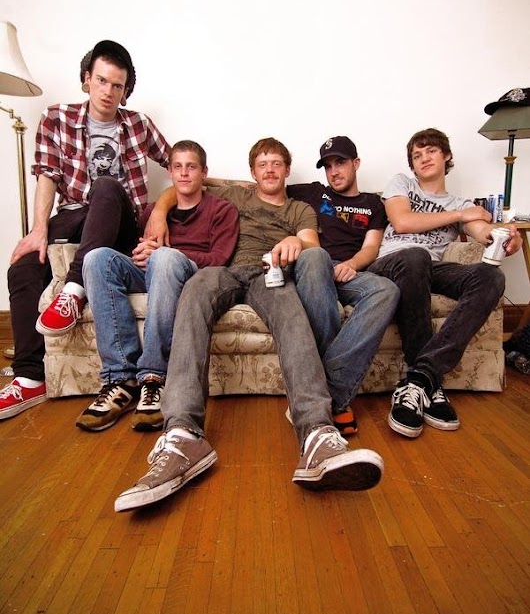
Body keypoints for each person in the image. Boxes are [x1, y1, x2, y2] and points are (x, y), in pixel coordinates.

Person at [114, 137, 384, 512]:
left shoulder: (301, 209)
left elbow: (310, 243)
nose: (270, 170)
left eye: (277, 163)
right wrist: (159, 211)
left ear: (287, 170)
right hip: (223, 271)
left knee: (292, 314)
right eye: (262, 164)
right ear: (253, 172)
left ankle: (317, 434)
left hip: (270, 274)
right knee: (193, 294)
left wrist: (294, 241)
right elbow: (185, 184)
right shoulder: (236, 194)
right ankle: (182, 435)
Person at [0, 40, 172, 421]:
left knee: (107, 187)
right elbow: (47, 175)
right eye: (102, 81)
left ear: (125, 91)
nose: (108, 91)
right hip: (75, 215)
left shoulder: (138, 124)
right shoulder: (55, 118)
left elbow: (179, 163)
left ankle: (73, 290)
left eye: (117, 85)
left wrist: (162, 208)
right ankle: (30, 379)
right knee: (23, 267)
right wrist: (38, 230)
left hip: (121, 220)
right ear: (86, 79)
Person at [368, 127, 522, 438]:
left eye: (431, 151)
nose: (424, 158)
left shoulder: (460, 202)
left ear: (446, 155)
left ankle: (421, 379)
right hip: (391, 264)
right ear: (412, 165)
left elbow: (481, 231)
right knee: (415, 257)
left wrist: (504, 238)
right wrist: (459, 214)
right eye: (417, 155)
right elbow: (402, 222)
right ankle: (428, 384)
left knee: (491, 276)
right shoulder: (402, 184)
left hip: (431, 268)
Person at [76, 140, 239, 433]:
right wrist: (141, 253)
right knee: (97, 258)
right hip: (152, 270)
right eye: (178, 167)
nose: (184, 173)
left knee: (164, 258)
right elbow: (142, 246)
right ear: (170, 172)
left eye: (191, 167)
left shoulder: (222, 209)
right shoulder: (153, 210)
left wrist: (165, 252)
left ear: (204, 173)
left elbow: (219, 259)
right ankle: (120, 378)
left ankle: (154, 377)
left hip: (191, 275)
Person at [288, 136, 400, 435]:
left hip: (350, 271)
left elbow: (371, 247)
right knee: (316, 257)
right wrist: (206, 184)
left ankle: (327, 392)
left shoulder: (373, 204)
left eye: (340, 163)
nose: (334, 171)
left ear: (356, 163)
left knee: (386, 290)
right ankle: (337, 405)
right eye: (328, 166)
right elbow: (262, 186)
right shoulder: (315, 193)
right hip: (314, 269)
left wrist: (352, 264)